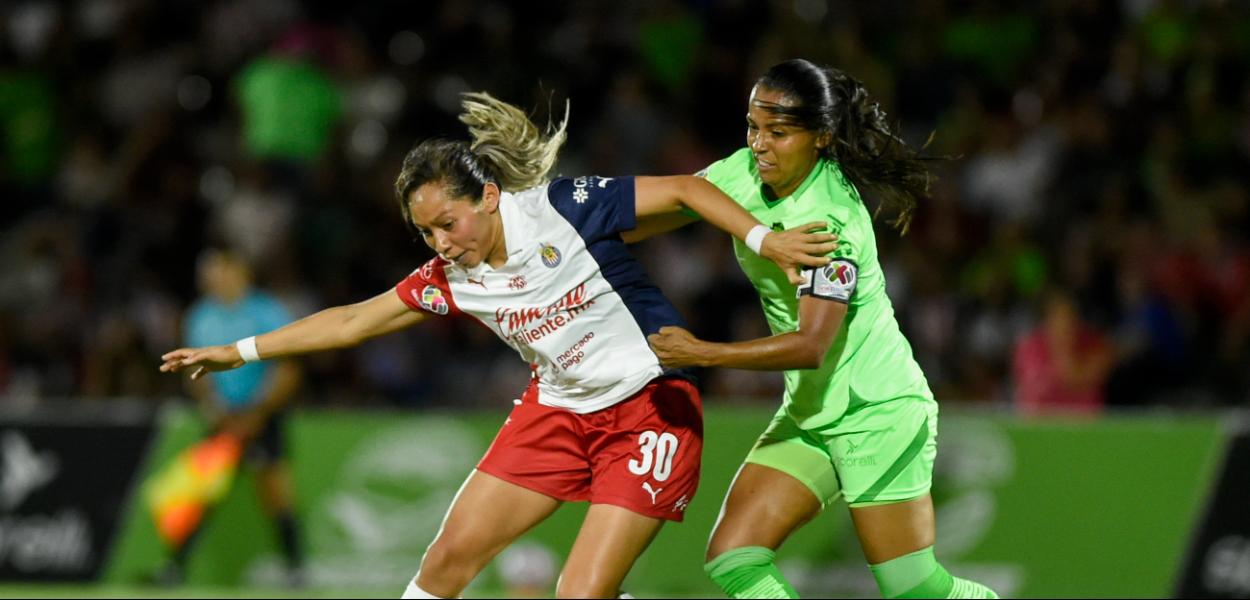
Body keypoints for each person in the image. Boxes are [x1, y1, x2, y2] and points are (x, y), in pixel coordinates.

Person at [160, 91, 836, 599]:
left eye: (447, 223)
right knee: (444, 562)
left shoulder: (563, 209)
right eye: (427, 234)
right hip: (557, 413)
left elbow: (688, 189)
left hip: (648, 408)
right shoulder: (453, 276)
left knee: (580, 594)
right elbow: (351, 322)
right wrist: (240, 351)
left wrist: (766, 240)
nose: (441, 244)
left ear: (487, 197)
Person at [646, 59, 999, 599]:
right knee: (734, 557)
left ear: (822, 137)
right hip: (811, 411)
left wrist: (702, 353)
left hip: (875, 411)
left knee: (914, 590)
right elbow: (663, 202)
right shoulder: (745, 171)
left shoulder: (829, 223)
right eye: (753, 127)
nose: (759, 145)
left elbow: (811, 345)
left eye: (778, 133)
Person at [166, 247, 305, 585]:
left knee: (275, 492)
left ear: (240, 272)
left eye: (218, 271)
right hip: (222, 418)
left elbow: (288, 366)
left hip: (261, 416)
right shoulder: (200, 315)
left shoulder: (266, 311)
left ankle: (296, 570)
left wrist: (258, 412)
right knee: (202, 491)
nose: (211, 279)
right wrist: (215, 409)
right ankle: (174, 569)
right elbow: (193, 370)